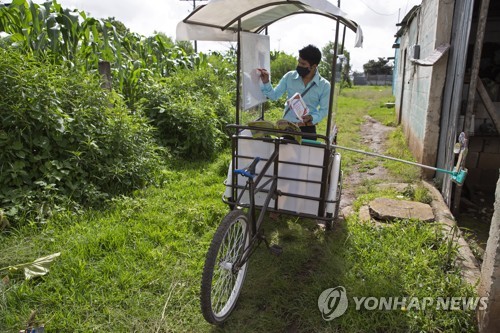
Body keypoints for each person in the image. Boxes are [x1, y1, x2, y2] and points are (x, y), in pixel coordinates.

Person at [258, 44, 331, 137]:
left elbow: (324, 110)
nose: (299, 66)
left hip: (307, 129)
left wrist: (312, 118)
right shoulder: (289, 77)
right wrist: (266, 82)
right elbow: (274, 96)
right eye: (299, 62)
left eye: (303, 64)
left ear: (313, 66)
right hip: (288, 127)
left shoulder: (324, 85)